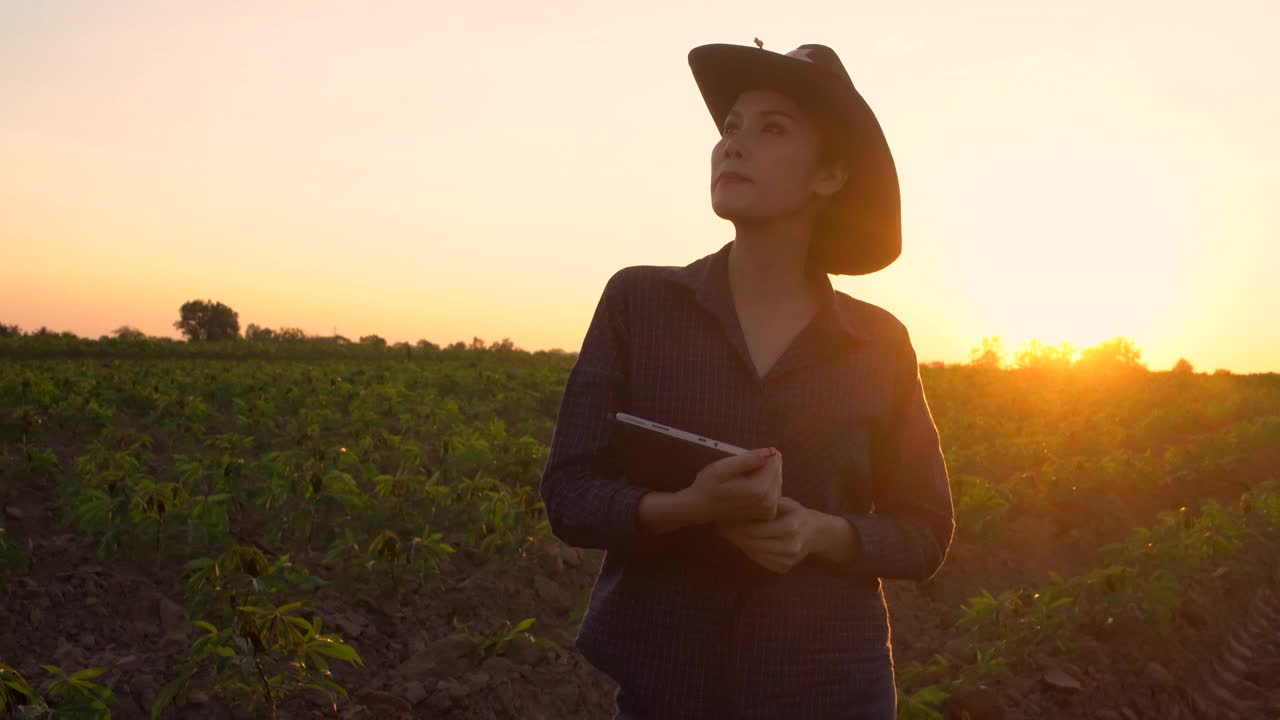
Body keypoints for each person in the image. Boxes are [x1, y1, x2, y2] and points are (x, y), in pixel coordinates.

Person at [539, 40, 955, 720]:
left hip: (830, 686)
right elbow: (570, 492)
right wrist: (688, 509)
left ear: (828, 175)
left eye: (773, 128)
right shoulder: (639, 304)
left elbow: (925, 531)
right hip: (669, 682)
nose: (733, 144)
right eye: (731, 125)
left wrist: (817, 531)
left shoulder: (878, 343)